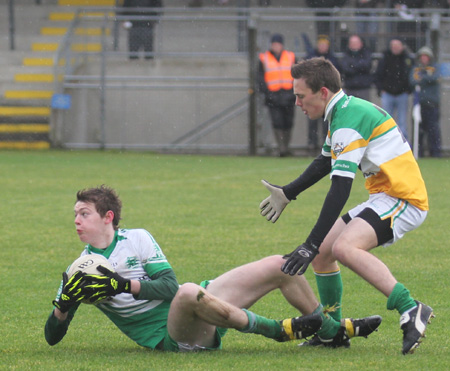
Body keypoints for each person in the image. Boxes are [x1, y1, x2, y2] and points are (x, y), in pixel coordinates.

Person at [45, 185, 381, 352]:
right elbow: (51, 337)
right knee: (190, 291)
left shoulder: (137, 238)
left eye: (84, 213)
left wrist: (122, 285)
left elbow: (167, 285)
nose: (76, 220)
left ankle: (329, 332)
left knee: (282, 265)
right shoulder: (82, 269)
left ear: (108, 218)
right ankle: (279, 330)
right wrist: (62, 309)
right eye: (75, 214)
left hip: (205, 304)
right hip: (175, 336)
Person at [259, 57, 434, 354]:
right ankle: (333, 332)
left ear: (323, 92)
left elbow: (340, 188)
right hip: (385, 196)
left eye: (301, 96)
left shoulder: (348, 119)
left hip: (404, 198)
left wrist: (309, 243)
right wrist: (288, 192)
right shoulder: (344, 110)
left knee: (341, 248)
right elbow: (325, 162)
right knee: (324, 255)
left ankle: (411, 307)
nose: (297, 103)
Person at [258, 34, 296, 157]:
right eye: (274, 44)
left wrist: (294, 92)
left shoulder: (290, 57)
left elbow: (297, 75)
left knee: (288, 122)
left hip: (289, 95)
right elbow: (260, 78)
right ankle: (281, 148)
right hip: (273, 96)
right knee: (277, 122)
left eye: (278, 44)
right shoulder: (264, 58)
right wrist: (267, 93)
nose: (276, 47)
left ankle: (286, 146)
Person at [304, 35, 341, 153]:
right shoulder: (311, 58)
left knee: (327, 122)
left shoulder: (332, 59)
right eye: (321, 44)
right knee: (312, 120)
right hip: (314, 94)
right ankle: (312, 143)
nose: (322, 47)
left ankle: (327, 144)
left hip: (326, 96)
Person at [374, 38, 414, 141]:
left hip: (402, 94)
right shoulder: (385, 58)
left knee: (402, 123)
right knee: (386, 122)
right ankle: (387, 145)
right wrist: (380, 89)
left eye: (397, 45)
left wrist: (408, 89)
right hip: (387, 93)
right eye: (393, 45)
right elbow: (378, 75)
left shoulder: (407, 59)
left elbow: (411, 75)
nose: (395, 48)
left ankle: (404, 147)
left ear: (402, 46)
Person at [409, 46, 442, 157]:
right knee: (419, 130)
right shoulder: (416, 69)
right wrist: (425, 77)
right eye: (422, 56)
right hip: (419, 105)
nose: (424, 59)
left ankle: (435, 153)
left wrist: (423, 78)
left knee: (433, 129)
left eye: (426, 56)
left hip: (432, 104)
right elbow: (412, 81)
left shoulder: (435, 68)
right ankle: (419, 152)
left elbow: (435, 78)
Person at [340, 34, 373, 101]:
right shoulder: (346, 55)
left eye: (356, 43)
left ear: (361, 43)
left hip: (363, 88)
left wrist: (352, 65)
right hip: (350, 88)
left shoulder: (366, 53)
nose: (354, 45)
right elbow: (345, 69)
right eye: (352, 43)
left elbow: (366, 66)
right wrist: (359, 66)